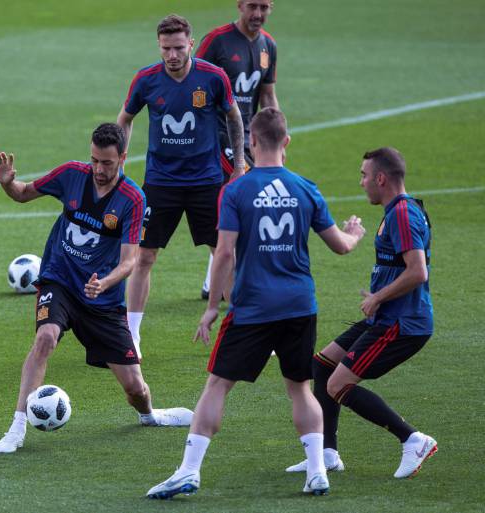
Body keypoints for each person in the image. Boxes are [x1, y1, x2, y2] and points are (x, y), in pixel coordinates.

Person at [146, 108, 366, 499]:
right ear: (287, 142)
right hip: (300, 304)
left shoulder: (236, 191)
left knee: (217, 385)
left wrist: (213, 305)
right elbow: (340, 246)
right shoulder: (305, 187)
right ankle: (317, 470)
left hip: (252, 308)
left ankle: (188, 471)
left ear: (251, 142)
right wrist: (354, 234)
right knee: (299, 387)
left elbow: (225, 253)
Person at [0, 123, 194, 454]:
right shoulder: (71, 174)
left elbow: (130, 261)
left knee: (135, 388)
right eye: (95, 160)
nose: (99, 169)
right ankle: (16, 427)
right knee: (45, 338)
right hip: (60, 280)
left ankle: (150, 416)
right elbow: (23, 193)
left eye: (108, 163)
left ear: (123, 158)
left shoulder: (133, 199)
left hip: (103, 300)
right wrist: (8, 183)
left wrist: (105, 282)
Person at [286, 148, 437, 479]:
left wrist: (378, 297)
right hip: (386, 315)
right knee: (322, 365)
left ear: (381, 178)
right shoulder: (399, 210)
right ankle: (327, 454)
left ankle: (413, 439)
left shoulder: (402, 214)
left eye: (364, 175)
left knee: (338, 385)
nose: (362, 182)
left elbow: (418, 271)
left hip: (403, 323)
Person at [117, 14, 246, 359]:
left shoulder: (213, 77)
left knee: (223, 253)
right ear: (158, 46)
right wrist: (120, 159)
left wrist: (241, 165)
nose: (172, 55)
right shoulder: (146, 80)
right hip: (160, 183)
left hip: (206, 181)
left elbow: (234, 116)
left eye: (178, 47)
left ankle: (244, 330)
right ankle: (132, 334)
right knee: (144, 256)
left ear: (191, 43)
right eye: (165, 48)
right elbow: (125, 118)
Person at [195, 0, 279, 300]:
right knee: (242, 204)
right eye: (252, 6)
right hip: (216, 138)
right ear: (239, 5)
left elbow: (267, 95)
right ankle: (239, 283)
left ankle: (212, 279)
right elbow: (194, 83)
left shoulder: (268, 45)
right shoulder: (216, 41)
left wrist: (279, 134)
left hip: (248, 138)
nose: (257, 14)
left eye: (264, 7)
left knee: (237, 207)